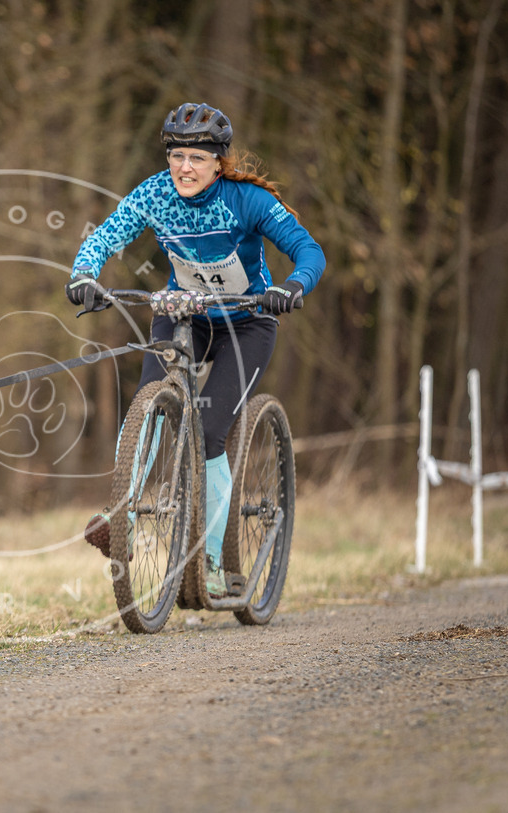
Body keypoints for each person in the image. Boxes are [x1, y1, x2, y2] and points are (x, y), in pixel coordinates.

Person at [66, 102, 325, 597]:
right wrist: (84, 273)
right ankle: (124, 517)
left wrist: (294, 284)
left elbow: (309, 249)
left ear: (218, 163)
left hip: (247, 323)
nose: (185, 167)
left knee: (209, 432)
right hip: (185, 314)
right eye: (177, 156)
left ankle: (204, 559)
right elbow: (107, 234)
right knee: (150, 399)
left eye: (198, 159)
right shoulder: (156, 194)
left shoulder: (245, 200)